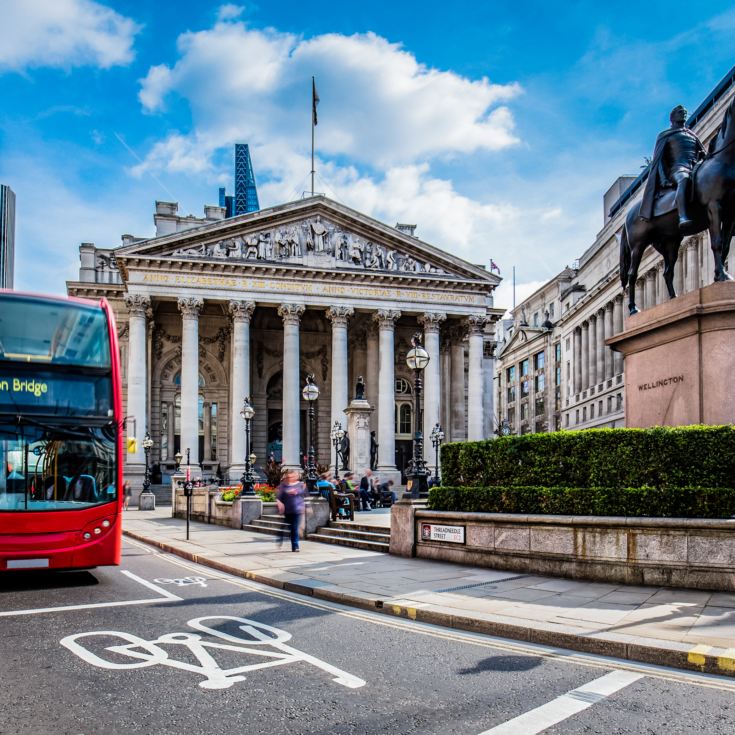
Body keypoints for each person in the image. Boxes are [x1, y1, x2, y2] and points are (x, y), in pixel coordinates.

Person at [640, 104, 706, 229]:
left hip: (695, 167)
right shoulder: (665, 135)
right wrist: (664, 178)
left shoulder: (692, 135)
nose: (684, 113)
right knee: (684, 179)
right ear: (673, 117)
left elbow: (703, 153)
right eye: (680, 112)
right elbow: (659, 160)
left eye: (685, 112)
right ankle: (683, 216)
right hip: (678, 169)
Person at [276, 469, 308, 552]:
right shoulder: (283, 485)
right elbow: (279, 497)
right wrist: (279, 504)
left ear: (297, 476)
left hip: (298, 509)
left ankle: (295, 546)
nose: (291, 478)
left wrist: (296, 492)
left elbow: (306, 494)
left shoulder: (301, 485)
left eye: (293, 476)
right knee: (290, 527)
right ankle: (280, 537)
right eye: (289, 476)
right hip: (287, 510)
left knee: (294, 528)